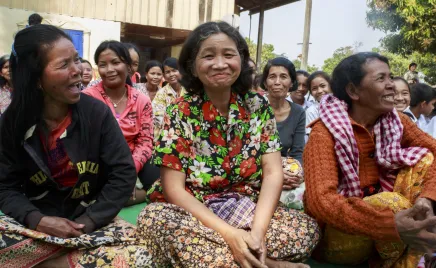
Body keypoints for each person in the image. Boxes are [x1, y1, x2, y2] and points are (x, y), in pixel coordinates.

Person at [140, 21, 320, 268]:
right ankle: (270, 264)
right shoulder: (180, 111)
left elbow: (273, 171)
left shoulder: (258, 106)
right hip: (197, 211)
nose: (220, 64)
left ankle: (242, 256)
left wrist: (257, 232)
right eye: (208, 56)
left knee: (305, 229)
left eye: (228, 54)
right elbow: (174, 190)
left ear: (242, 61)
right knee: (155, 220)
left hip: (246, 207)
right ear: (192, 66)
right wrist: (230, 235)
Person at [0, 24, 152, 267]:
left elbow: (123, 175)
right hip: (35, 224)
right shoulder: (11, 122)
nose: (79, 70)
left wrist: (89, 221)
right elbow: (5, 187)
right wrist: (38, 219)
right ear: (35, 77)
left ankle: (46, 261)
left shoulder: (97, 114)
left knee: (140, 257)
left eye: (77, 60)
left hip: (88, 221)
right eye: (64, 64)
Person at [304, 52, 436, 267]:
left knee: (426, 160)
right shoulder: (324, 132)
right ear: (353, 91)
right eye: (381, 79)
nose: (391, 85)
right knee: (390, 202)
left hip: (393, 222)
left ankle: (412, 250)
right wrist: (389, 225)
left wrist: (427, 199)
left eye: (390, 77)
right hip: (342, 236)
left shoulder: (397, 121)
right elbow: (321, 202)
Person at [83, 40, 157, 203]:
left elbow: (145, 141)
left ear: (128, 66)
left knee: (161, 182)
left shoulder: (141, 100)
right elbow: (86, 143)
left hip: (132, 159)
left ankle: (127, 195)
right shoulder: (88, 98)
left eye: (115, 62)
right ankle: (128, 196)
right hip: (99, 161)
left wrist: (130, 168)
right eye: (103, 65)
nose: (109, 70)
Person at [261, 57, 305, 165]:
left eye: (283, 77)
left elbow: (297, 153)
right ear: (265, 83)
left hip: (285, 169)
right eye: (272, 77)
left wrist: (295, 171)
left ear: (291, 83)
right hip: (255, 172)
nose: (277, 82)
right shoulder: (255, 108)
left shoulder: (298, 112)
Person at [152, 57, 186, 140]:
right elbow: (158, 118)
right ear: (164, 76)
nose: (171, 74)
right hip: (166, 136)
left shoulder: (189, 90)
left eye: (174, 70)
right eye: (167, 72)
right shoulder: (161, 94)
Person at [305, 71, 332, 138]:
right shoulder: (311, 111)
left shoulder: (341, 104)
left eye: (323, 86)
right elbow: (313, 136)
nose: (319, 91)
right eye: (314, 88)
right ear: (311, 93)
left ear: (331, 86)